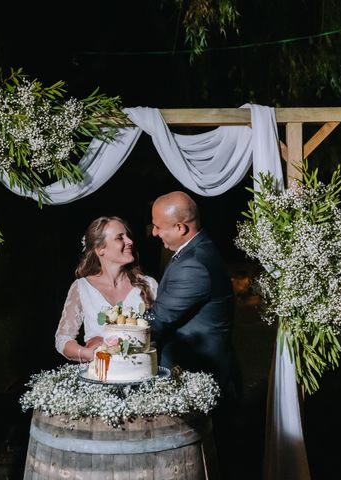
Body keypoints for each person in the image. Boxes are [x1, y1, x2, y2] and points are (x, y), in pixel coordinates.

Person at [148, 191, 242, 476]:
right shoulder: (195, 252)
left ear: (180, 228)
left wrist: (116, 336)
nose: (153, 232)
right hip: (202, 372)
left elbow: (159, 319)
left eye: (157, 225)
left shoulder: (193, 264)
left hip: (200, 374)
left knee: (207, 463)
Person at [55, 216, 158, 363]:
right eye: (119, 238)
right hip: (100, 373)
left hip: (140, 372)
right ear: (100, 250)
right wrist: (91, 353)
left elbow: (164, 331)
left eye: (128, 236)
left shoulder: (149, 285)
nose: (130, 242)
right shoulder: (82, 288)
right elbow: (62, 339)